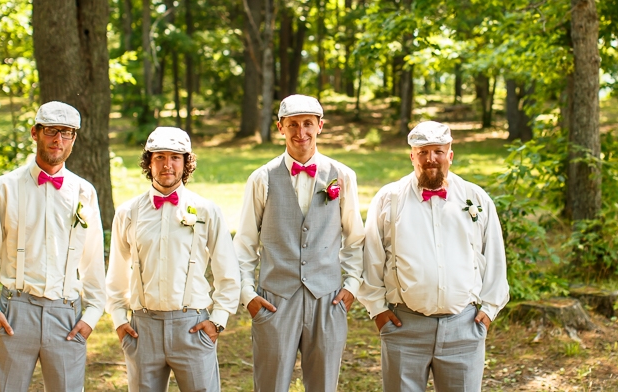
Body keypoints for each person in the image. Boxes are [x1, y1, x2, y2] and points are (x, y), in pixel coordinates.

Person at [359, 120, 509, 392]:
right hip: (404, 327)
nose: (431, 159)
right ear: (412, 156)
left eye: (438, 152)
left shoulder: (476, 199)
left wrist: (488, 310)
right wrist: (378, 311)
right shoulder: (389, 199)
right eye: (423, 152)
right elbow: (372, 258)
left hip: (464, 328)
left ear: (450, 155)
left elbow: (495, 255)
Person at [0, 101, 106, 392]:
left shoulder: (84, 192)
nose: (58, 140)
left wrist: (93, 314)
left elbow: (93, 259)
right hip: (15, 312)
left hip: (67, 315)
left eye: (67, 133)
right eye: (51, 131)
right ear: (35, 133)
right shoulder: (6, 187)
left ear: (74, 139)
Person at [234, 94, 365, 392]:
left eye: (308, 124)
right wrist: (247, 294)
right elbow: (243, 243)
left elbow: (355, 237)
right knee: (270, 386)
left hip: (328, 299)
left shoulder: (342, 176)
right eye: (293, 124)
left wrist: (352, 286)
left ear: (320, 126)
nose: (301, 132)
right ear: (280, 127)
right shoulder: (261, 178)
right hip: (275, 300)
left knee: (323, 386)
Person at [106, 126, 240, 392]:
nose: (167, 165)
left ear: (186, 162)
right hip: (142, 329)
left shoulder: (206, 210)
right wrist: (120, 320)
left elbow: (228, 270)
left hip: (192, 327)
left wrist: (218, 319)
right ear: (149, 162)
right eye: (160, 157)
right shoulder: (128, 213)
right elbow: (117, 274)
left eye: (175, 157)